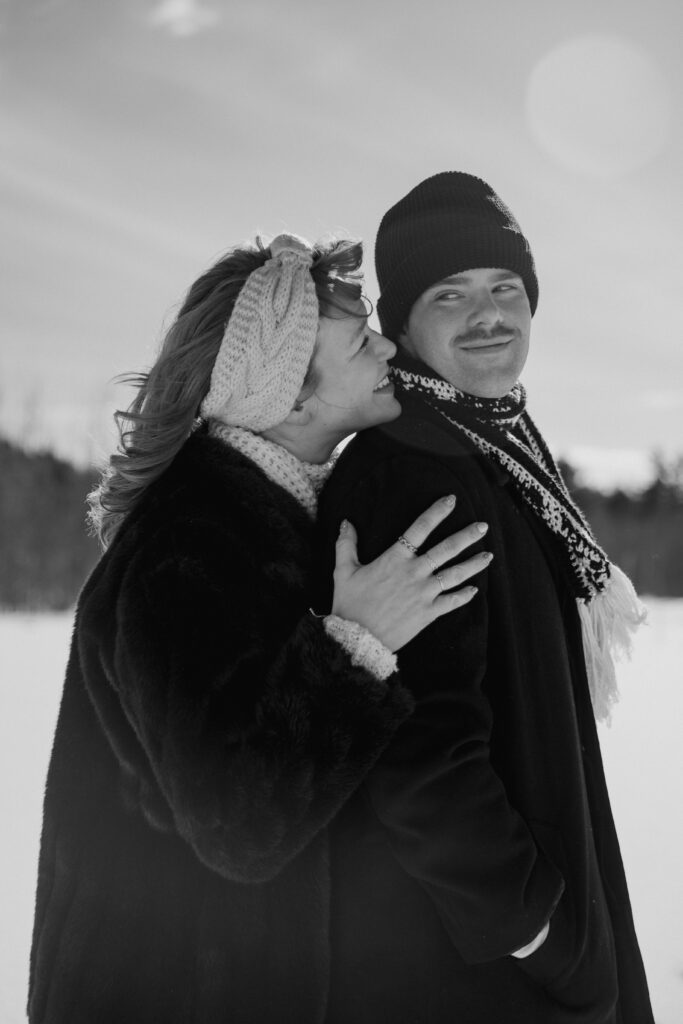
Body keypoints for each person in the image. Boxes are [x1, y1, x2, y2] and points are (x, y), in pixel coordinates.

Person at [27, 233, 491, 1024]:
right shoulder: (186, 548)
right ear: (291, 399)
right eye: (360, 341)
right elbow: (238, 822)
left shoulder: (274, 514)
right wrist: (355, 646)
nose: (387, 346)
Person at [315, 173, 654, 1023]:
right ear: (401, 324)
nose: (488, 315)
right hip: (468, 972)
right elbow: (417, 755)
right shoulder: (412, 473)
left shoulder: (489, 446)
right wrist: (543, 935)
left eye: (505, 288)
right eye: (449, 294)